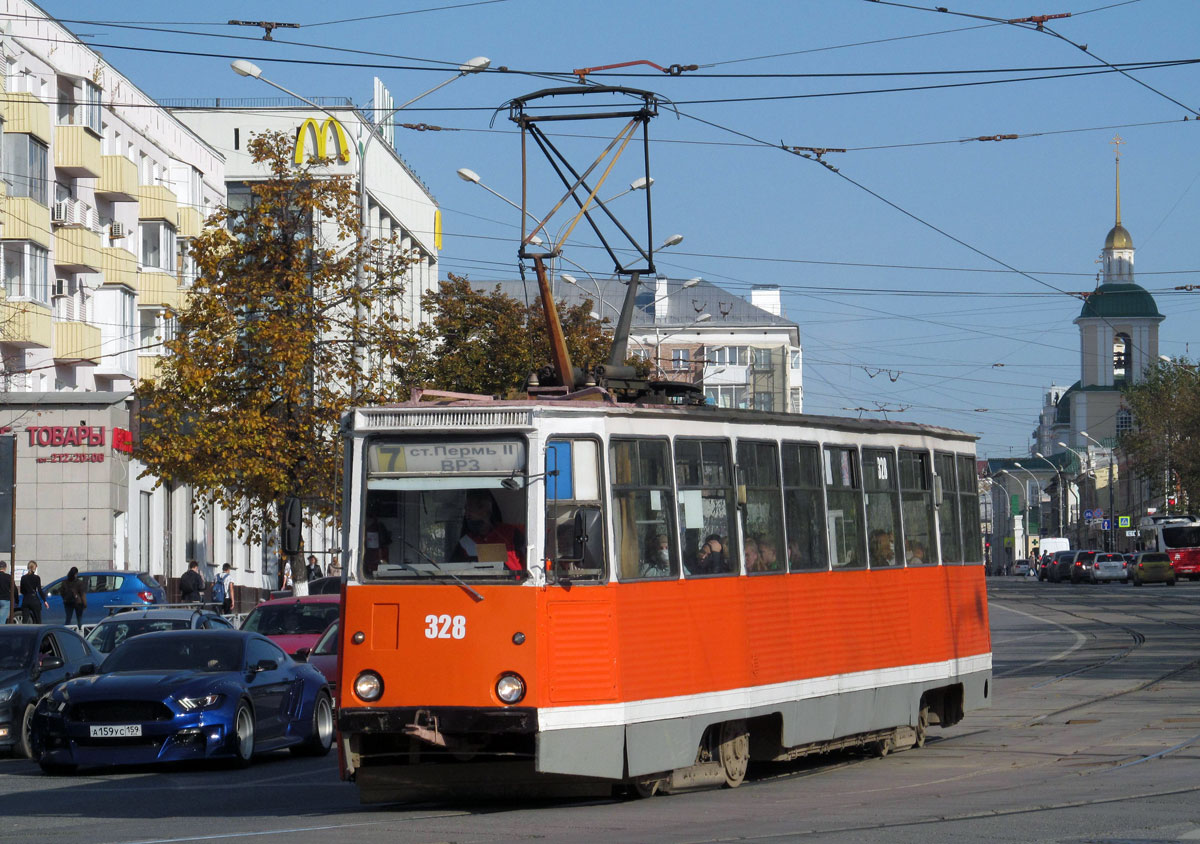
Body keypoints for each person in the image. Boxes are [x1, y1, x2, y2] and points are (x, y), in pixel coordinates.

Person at [451, 490, 525, 573]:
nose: (467, 514)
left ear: (487, 509)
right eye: (466, 509)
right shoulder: (465, 542)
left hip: (515, 584)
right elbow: (454, 571)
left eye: (471, 509)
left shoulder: (511, 533)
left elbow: (528, 565)